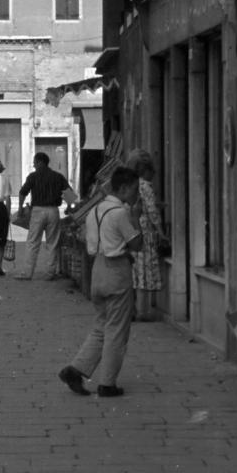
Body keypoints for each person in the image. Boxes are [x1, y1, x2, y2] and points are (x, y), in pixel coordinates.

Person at [59, 165, 142, 398]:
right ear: (124, 189)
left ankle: (76, 369)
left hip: (97, 269)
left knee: (102, 326)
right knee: (117, 330)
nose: (136, 194)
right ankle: (107, 383)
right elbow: (137, 244)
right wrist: (136, 217)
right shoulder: (120, 213)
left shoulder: (95, 211)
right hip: (116, 271)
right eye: (134, 189)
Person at [16, 152, 75, 280]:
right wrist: (70, 208)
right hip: (53, 211)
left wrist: (20, 208)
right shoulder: (58, 177)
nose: (34, 165)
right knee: (52, 243)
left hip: (37, 211)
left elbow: (22, 193)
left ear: (40, 162)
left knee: (32, 242)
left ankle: (27, 273)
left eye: (35, 162)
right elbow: (70, 194)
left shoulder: (33, 176)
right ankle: (50, 273)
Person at [127, 149, 167, 320]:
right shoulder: (146, 186)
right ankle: (144, 311)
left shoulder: (134, 185)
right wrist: (161, 232)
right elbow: (151, 211)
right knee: (145, 270)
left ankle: (138, 309)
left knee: (138, 271)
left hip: (135, 229)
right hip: (146, 231)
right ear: (146, 171)